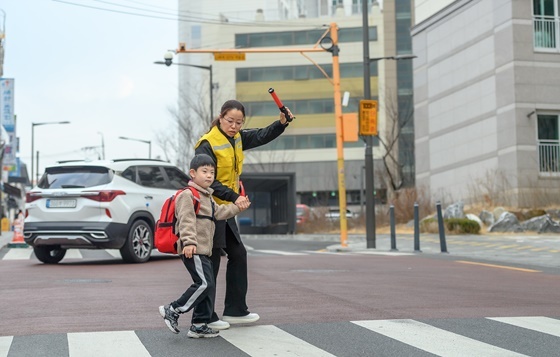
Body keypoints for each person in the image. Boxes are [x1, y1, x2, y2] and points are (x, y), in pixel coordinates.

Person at [194, 99, 293, 330]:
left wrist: (281, 124)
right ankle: (204, 316)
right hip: (211, 211)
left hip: (226, 211)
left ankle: (236, 310)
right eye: (230, 121)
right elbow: (207, 181)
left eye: (239, 122)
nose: (235, 126)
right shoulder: (207, 144)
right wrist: (233, 196)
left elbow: (260, 135)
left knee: (238, 255)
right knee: (212, 262)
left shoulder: (237, 138)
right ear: (220, 118)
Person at [159, 154, 249, 338]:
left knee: (208, 284)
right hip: (192, 248)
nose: (209, 176)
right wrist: (190, 242)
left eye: (212, 172)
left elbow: (220, 212)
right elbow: (186, 221)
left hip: (203, 250)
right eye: (204, 171)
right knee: (204, 283)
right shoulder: (188, 195)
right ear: (193, 173)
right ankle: (173, 309)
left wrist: (238, 207)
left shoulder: (207, 196)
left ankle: (199, 324)